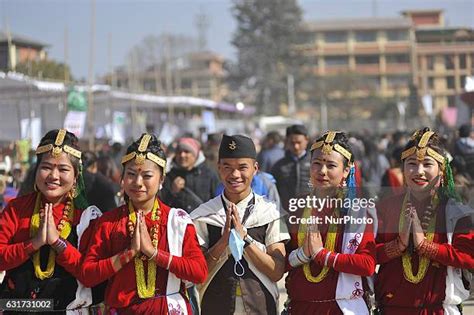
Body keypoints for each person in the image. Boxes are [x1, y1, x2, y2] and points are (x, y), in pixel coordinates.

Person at [80, 133, 207, 314]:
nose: (138, 183)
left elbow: (199, 272)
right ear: (122, 178)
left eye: (147, 175)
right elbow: (88, 276)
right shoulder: (108, 222)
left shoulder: (176, 221)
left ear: (161, 179)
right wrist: (126, 255)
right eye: (131, 174)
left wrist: (154, 253)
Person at [0, 129, 102, 312]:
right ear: (36, 170)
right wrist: (33, 244)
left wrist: (58, 243)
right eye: (46, 167)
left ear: (75, 177)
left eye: (63, 169)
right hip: (17, 308)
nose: (53, 176)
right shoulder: (16, 208)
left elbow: (92, 274)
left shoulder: (87, 216)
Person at [375, 127, 474, 314]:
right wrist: (397, 246)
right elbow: (367, 254)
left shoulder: (456, 212)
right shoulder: (386, 208)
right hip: (391, 309)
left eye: (427, 164)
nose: (419, 172)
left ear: (442, 169)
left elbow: (468, 256)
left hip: (437, 309)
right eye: (411, 163)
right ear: (402, 168)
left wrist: (426, 247)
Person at [191, 134, 290, 315]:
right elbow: (196, 273)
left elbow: (277, 271)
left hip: (261, 306)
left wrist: (245, 239)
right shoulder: (202, 216)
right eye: (227, 167)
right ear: (218, 168)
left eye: (242, 167)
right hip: (214, 306)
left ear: (255, 169)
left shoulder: (273, 213)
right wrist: (223, 242)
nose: (235, 175)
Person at [284, 131, 376, 314]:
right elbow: (280, 263)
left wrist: (323, 255)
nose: (322, 171)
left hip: (344, 308)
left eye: (331, 165)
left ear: (346, 170)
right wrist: (303, 254)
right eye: (316, 164)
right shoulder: (297, 207)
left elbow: (367, 264)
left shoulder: (358, 210)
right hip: (301, 306)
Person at [161, 137, 220, 213]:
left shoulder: (209, 175)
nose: (182, 155)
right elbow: (163, 204)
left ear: (195, 155)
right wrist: (173, 191)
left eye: (186, 151)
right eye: (179, 152)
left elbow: (217, 201)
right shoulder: (169, 176)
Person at [271, 125, 311, 212]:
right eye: (292, 143)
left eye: (299, 142)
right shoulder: (279, 166)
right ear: (287, 142)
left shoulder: (315, 163)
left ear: (306, 140)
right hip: (287, 213)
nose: (296, 146)